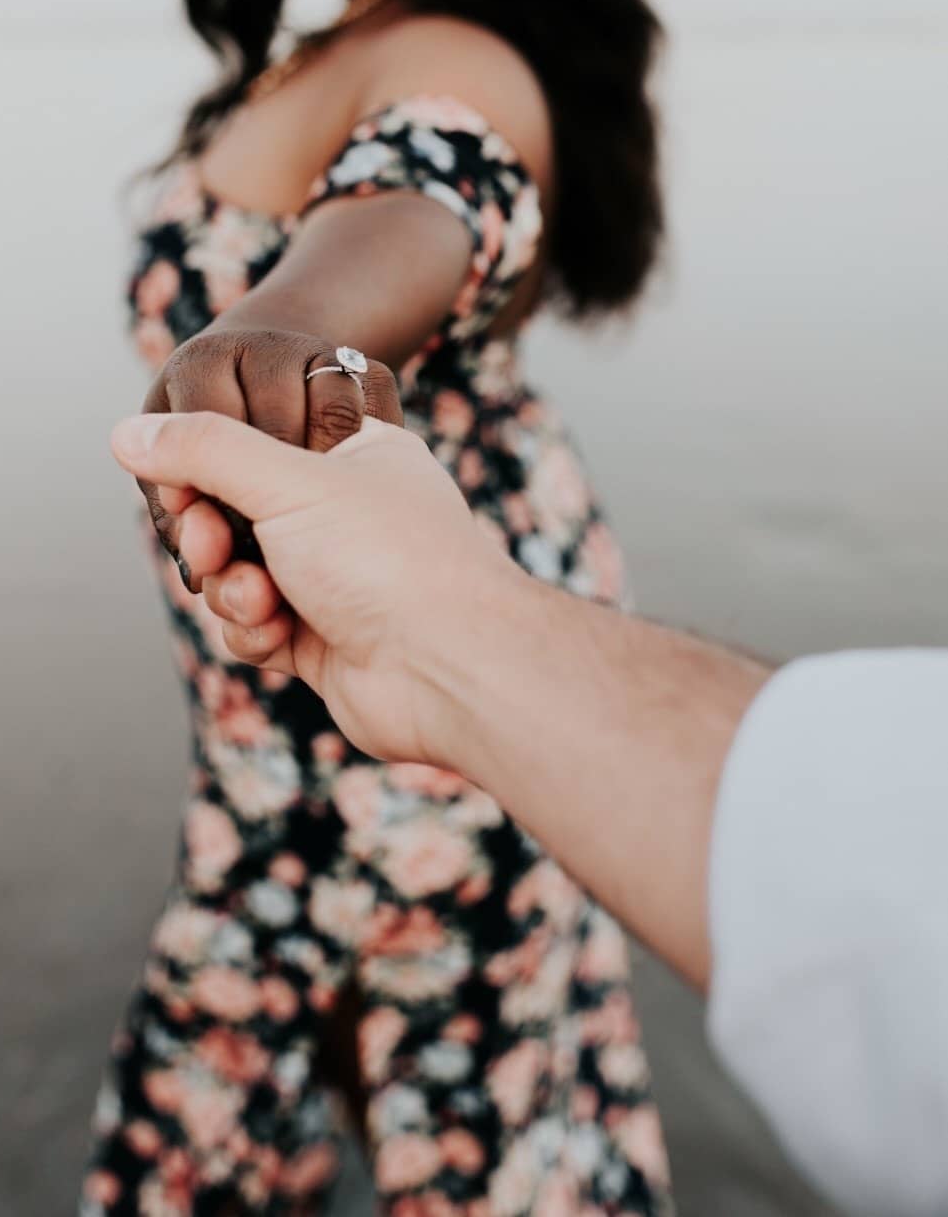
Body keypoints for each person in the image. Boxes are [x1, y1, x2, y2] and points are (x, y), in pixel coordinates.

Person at [81, 0, 674, 1217]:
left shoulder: (464, 64)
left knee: (473, 1153)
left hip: (418, 733)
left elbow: (417, 205)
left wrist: (277, 326)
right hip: (290, 750)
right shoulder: (354, 35)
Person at [110, 408, 948, 1217]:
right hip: (313, 650)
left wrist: (301, 356)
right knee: (279, 1017)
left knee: (465, 1033)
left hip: (429, 541)